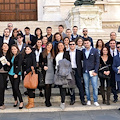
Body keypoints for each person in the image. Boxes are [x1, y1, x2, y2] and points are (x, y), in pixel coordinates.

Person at [68, 40, 86, 106]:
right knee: (71, 86)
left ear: (75, 45)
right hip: (70, 70)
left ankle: (82, 99)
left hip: (77, 70)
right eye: (70, 44)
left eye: (73, 44)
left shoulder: (79, 52)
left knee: (80, 85)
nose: (72, 45)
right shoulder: (67, 53)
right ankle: (72, 99)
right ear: (69, 45)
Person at [82, 38, 100, 106]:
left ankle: (95, 100)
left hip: (93, 71)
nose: (86, 44)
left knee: (95, 86)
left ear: (90, 43)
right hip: (85, 71)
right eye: (85, 43)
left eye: (87, 43)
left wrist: (96, 71)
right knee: (86, 87)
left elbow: (97, 61)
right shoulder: (83, 51)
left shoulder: (95, 50)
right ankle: (88, 100)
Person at [55, 42, 70, 110]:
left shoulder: (66, 53)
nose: (60, 46)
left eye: (61, 45)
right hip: (57, 72)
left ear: (64, 46)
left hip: (64, 72)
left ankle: (63, 102)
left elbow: (68, 62)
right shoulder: (56, 53)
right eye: (59, 46)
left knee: (63, 87)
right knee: (60, 87)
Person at [39, 42, 55, 107]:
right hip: (46, 71)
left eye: (50, 46)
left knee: (50, 86)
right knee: (47, 86)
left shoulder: (53, 54)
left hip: (52, 71)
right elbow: (39, 63)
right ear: (46, 46)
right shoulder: (42, 53)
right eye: (48, 45)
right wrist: (43, 67)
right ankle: (47, 100)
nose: (49, 47)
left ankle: (48, 99)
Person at [8, 44, 23, 109]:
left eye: (15, 49)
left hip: (16, 73)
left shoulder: (19, 56)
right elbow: (11, 64)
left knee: (16, 88)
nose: (13, 50)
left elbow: (19, 65)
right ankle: (15, 100)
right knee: (13, 88)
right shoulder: (11, 56)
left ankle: (21, 101)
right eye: (12, 49)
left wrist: (16, 73)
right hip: (10, 73)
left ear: (17, 49)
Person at [0, 43, 11, 110]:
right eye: (4, 46)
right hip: (0, 72)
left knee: (2, 87)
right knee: (1, 87)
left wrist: (9, 63)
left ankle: (2, 103)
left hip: (5, 72)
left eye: (6, 46)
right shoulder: (0, 54)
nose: (5, 47)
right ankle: (1, 103)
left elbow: (12, 63)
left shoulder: (9, 54)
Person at [112, 42, 120, 106]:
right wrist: (117, 70)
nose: (119, 48)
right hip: (119, 76)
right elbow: (113, 66)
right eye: (118, 47)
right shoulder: (115, 57)